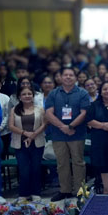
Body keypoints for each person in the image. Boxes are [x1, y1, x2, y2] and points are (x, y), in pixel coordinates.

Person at [45, 67, 90, 201]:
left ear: (75, 78)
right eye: (66, 75)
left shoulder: (82, 93)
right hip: (58, 134)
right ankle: (64, 190)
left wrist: (70, 126)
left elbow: (84, 113)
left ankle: (80, 191)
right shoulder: (53, 93)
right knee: (61, 163)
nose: (68, 77)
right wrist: (63, 127)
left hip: (77, 133)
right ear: (61, 77)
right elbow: (48, 113)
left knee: (78, 162)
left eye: (71, 75)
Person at [8, 87, 47, 200]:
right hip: (20, 143)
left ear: (33, 96)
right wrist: (25, 133)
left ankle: (36, 192)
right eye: (24, 94)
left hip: (37, 142)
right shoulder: (14, 109)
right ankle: (24, 193)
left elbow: (44, 124)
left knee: (36, 168)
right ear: (20, 97)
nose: (27, 96)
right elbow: (10, 126)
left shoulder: (39, 109)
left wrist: (33, 135)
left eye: (29, 94)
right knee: (24, 170)